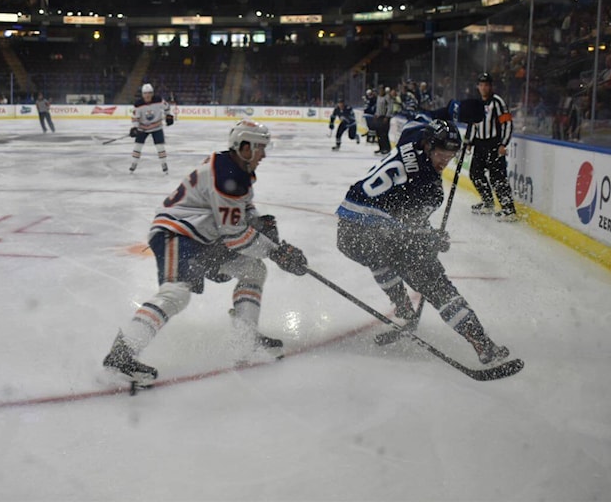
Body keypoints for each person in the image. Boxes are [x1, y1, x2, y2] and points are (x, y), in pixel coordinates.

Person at [102, 119, 309, 385]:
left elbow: (244, 211)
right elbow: (235, 236)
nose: (264, 154)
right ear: (244, 147)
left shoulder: (233, 169)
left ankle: (245, 339)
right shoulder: (228, 176)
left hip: (204, 237)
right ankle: (121, 356)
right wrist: (275, 251)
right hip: (177, 234)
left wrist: (262, 228)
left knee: (253, 270)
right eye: (260, 148)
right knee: (176, 293)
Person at [335, 118, 510, 365]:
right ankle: (481, 341)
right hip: (364, 232)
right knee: (434, 280)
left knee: (380, 255)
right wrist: (430, 239)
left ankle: (404, 310)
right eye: (440, 154)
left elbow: (414, 121)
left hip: (348, 230)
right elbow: (405, 230)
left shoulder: (412, 135)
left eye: (450, 157)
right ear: (428, 146)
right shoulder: (425, 186)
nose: (444, 162)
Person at [470, 73, 517, 221]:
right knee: (475, 173)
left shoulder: (497, 102)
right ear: (478, 87)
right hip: (479, 144)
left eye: (486, 85)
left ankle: (509, 210)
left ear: (491, 86)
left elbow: (507, 123)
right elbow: (473, 124)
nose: (483, 88)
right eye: (481, 85)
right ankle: (488, 202)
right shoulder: (476, 103)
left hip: (494, 145)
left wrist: (503, 143)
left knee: (498, 177)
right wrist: (470, 142)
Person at [129, 83, 174, 174]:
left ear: (152, 93)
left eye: (149, 93)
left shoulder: (158, 100)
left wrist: (168, 115)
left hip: (156, 127)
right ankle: (134, 163)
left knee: (160, 146)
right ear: (142, 94)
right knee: (138, 146)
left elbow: (167, 107)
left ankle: (164, 164)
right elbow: (135, 118)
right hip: (143, 128)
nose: (147, 95)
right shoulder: (138, 105)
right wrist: (135, 128)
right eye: (145, 93)